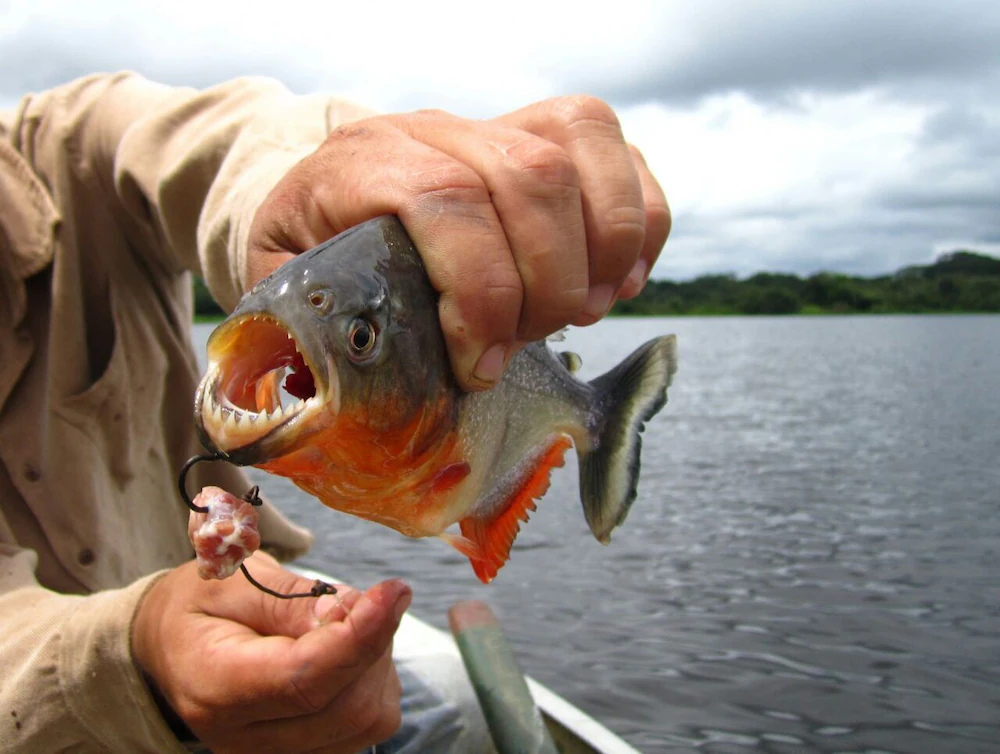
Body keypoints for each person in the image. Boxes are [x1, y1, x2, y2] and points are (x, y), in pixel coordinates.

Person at [0, 72, 670, 753]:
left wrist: (333, 183)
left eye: (357, 340)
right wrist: (130, 654)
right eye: (358, 341)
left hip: (280, 625)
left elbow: (229, 146)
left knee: (449, 716)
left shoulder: (71, 141)